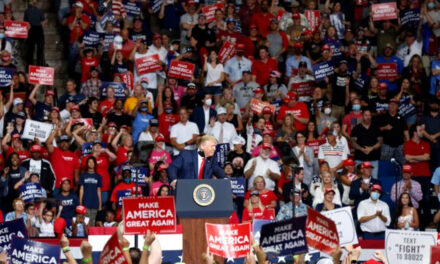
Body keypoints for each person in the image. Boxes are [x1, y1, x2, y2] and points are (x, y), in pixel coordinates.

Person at [350, 109, 382, 179]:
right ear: (362, 116)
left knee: (374, 180)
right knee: (359, 180)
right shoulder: (356, 128)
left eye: (369, 115)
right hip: (360, 159)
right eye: (366, 115)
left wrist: (371, 148)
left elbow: (380, 142)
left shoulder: (376, 128)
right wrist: (362, 149)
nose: (368, 117)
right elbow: (352, 142)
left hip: (373, 159)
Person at [78, 157, 102, 227]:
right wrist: (80, 203)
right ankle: (86, 236)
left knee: (93, 220)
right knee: (86, 221)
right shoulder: (83, 176)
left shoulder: (98, 176)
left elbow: (99, 191)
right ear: (87, 164)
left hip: (95, 202)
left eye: (92, 162)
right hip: (85, 202)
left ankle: (91, 236)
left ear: (95, 164)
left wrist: (100, 205)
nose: (91, 164)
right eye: (89, 162)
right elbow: (81, 189)